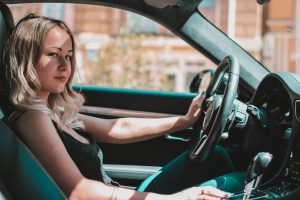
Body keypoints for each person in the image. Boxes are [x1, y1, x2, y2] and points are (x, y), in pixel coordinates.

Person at [1, 13, 234, 200]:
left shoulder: (54, 112)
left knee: (217, 157)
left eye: (69, 56)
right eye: (53, 54)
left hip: (115, 191)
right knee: (234, 184)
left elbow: (117, 127)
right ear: (26, 60)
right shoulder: (32, 118)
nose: (65, 65)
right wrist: (177, 198)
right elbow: (78, 191)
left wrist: (183, 121)